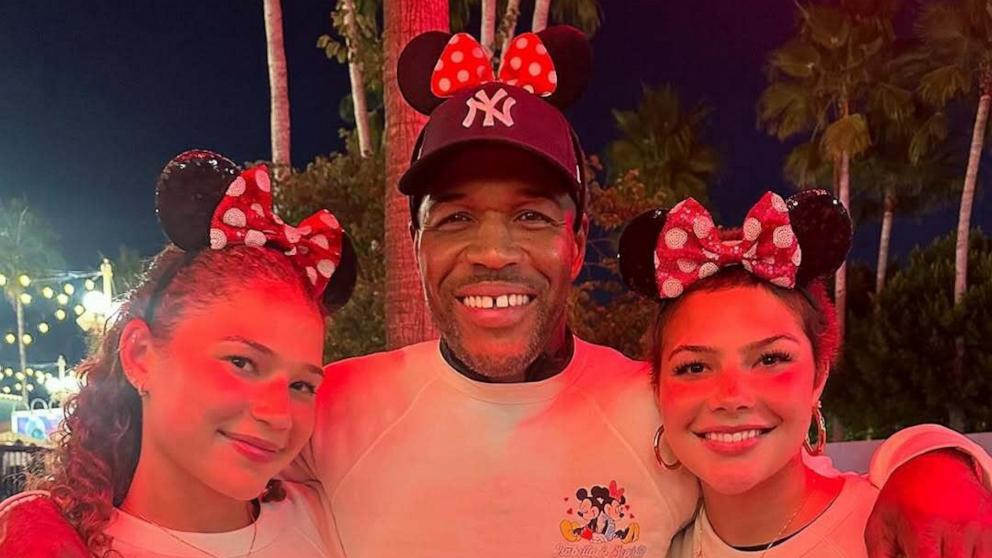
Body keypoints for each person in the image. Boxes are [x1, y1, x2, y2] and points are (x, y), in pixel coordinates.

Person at [291, 26, 992, 558]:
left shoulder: (661, 409)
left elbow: (789, 476)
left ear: (576, 239)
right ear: (415, 242)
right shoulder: (328, 408)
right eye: (455, 218)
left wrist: (934, 460)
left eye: (532, 216)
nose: (494, 253)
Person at [0, 150, 358, 558]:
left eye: (301, 384)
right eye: (241, 362)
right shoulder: (55, 548)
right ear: (140, 356)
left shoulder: (336, 519)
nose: (278, 415)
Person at [617, 191, 992, 557]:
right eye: (694, 367)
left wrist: (938, 458)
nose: (731, 396)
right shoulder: (649, 543)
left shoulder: (901, 537)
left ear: (818, 377)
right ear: (658, 389)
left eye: (770, 360)